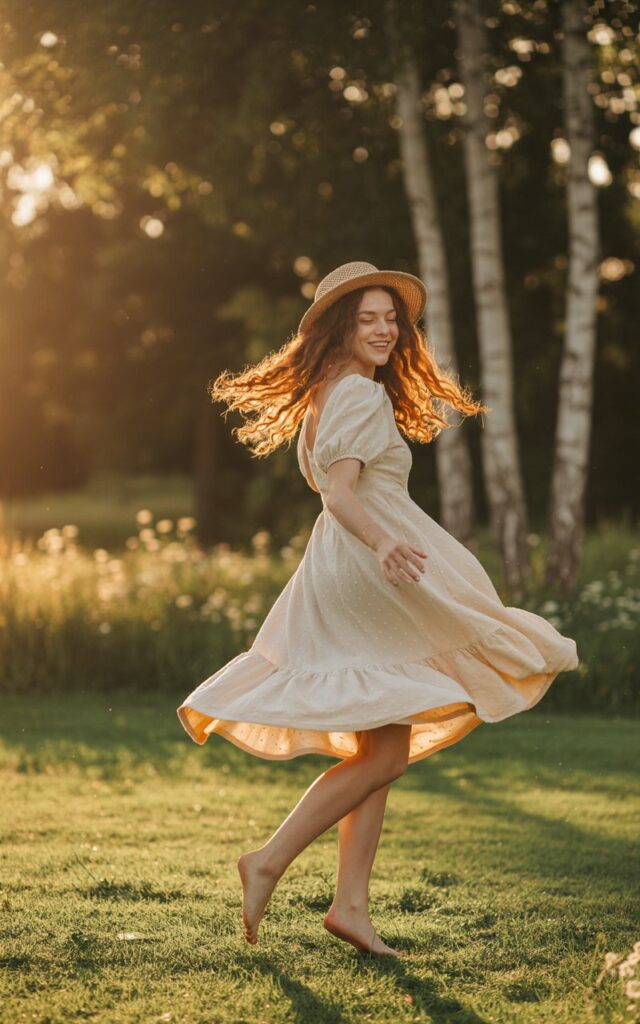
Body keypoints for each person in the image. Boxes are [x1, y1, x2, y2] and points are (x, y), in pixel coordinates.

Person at [177, 261, 578, 957]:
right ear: (340, 325)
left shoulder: (326, 395)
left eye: (392, 319)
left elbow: (337, 494)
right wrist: (388, 540)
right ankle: (268, 860)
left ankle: (350, 907)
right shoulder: (357, 395)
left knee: (381, 743)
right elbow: (340, 494)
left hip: (347, 566)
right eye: (369, 318)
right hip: (370, 566)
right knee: (390, 745)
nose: (386, 330)